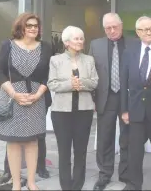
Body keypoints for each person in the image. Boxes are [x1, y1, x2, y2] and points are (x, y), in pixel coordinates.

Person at [0, 12, 52, 191]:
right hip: (12, 100)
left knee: (32, 142)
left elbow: (49, 75)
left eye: (36, 26)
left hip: (36, 100)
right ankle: (17, 184)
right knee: (13, 143)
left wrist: (38, 95)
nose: (33, 28)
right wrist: (14, 94)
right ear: (21, 27)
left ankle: (32, 183)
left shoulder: (46, 47)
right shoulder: (8, 45)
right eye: (29, 25)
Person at [120, 16, 151, 190]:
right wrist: (124, 110)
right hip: (135, 110)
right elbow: (123, 82)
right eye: (144, 29)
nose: (148, 32)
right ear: (137, 32)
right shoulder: (129, 51)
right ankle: (134, 185)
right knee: (134, 152)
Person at [47, 26, 98, 190]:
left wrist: (80, 83)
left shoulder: (89, 60)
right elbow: (52, 84)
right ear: (67, 42)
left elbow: (95, 81)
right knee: (64, 151)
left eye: (81, 38)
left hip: (84, 111)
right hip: (61, 113)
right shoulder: (56, 60)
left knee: (81, 151)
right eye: (76, 38)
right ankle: (66, 186)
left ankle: (77, 185)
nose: (80, 41)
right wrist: (70, 84)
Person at [89, 13, 134, 190]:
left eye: (115, 27)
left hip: (127, 98)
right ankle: (104, 174)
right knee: (104, 138)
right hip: (105, 98)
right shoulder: (96, 45)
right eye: (108, 28)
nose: (112, 31)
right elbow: (91, 72)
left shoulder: (134, 43)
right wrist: (92, 98)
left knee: (127, 137)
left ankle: (126, 173)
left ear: (121, 26)